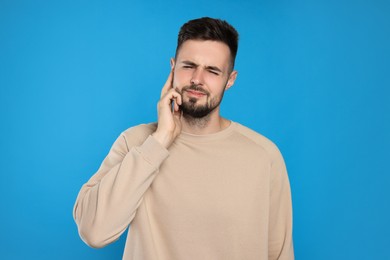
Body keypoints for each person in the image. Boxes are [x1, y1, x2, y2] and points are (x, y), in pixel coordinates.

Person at [73, 17, 294, 260]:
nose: (197, 79)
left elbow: (279, 254)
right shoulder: (136, 142)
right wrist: (160, 140)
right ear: (173, 68)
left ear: (230, 80)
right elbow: (93, 231)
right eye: (188, 66)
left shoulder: (263, 156)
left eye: (212, 71)